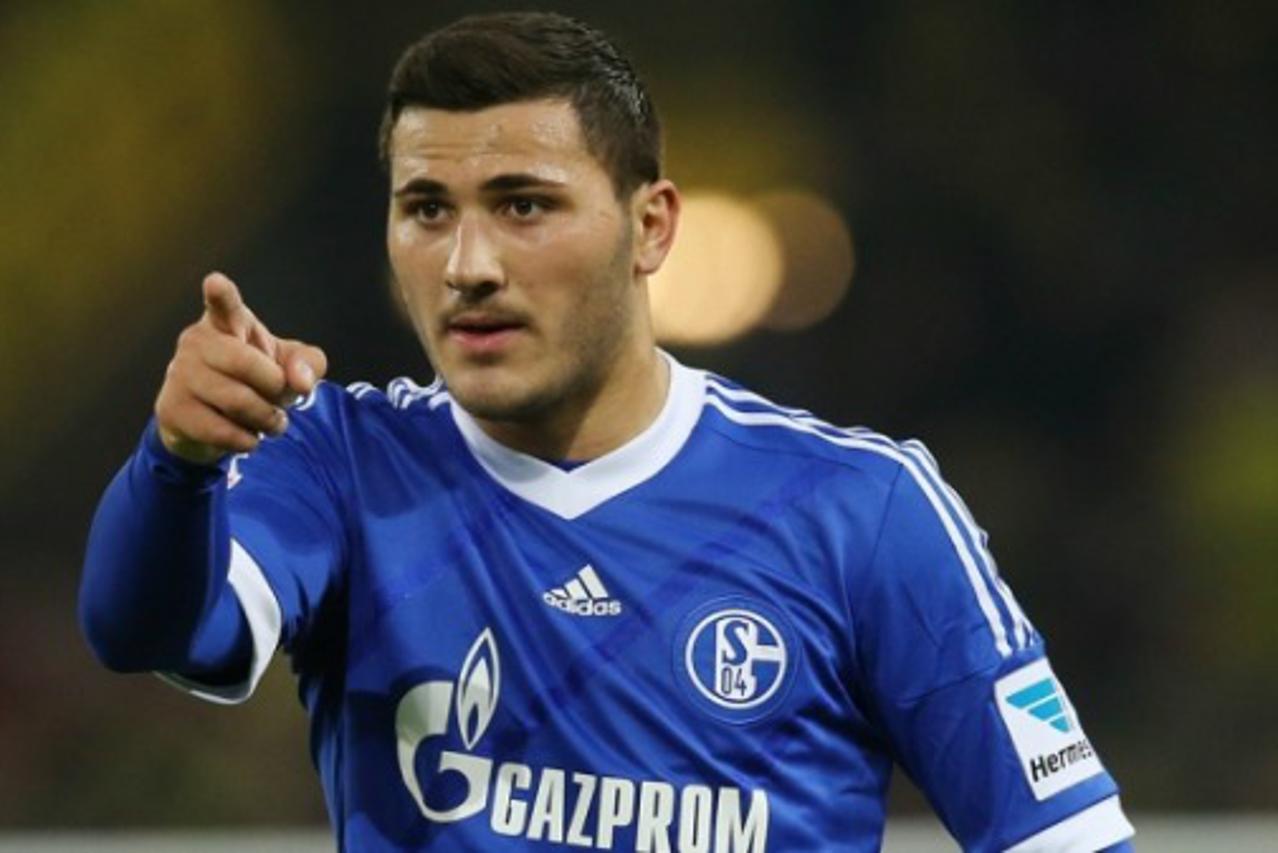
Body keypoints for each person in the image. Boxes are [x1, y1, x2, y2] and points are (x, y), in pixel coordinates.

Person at [79, 11, 1135, 852]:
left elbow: (1064, 837)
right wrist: (179, 464)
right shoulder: (341, 460)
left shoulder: (859, 508)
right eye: (428, 208)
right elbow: (151, 632)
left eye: (523, 205)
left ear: (651, 226)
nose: (468, 265)